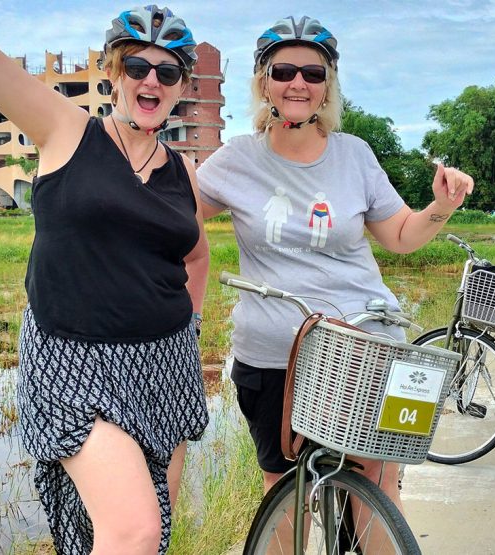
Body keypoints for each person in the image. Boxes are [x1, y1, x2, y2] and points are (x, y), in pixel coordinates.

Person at [0, 2, 210, 553]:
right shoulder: (65, 129)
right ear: (113, 73)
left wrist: (195, 323)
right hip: (72, 362)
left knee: (151, 526)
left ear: (181, 86)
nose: (150, 80)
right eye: (137, 67)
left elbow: (197, 256)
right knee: (135, 530)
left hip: (166, 364)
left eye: (167, 71)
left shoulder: (184, 172)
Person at [196, 15, 474, 510]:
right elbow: (169, 216)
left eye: (313, 73)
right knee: (283, 491)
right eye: (283, 72)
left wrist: (440, 208)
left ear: (327, 88)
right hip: (275, 355)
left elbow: (400, 236)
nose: (298, 83)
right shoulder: (236, 158)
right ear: (263, 82)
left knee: (378, 487)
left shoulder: (356, 155)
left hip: (366, 347)